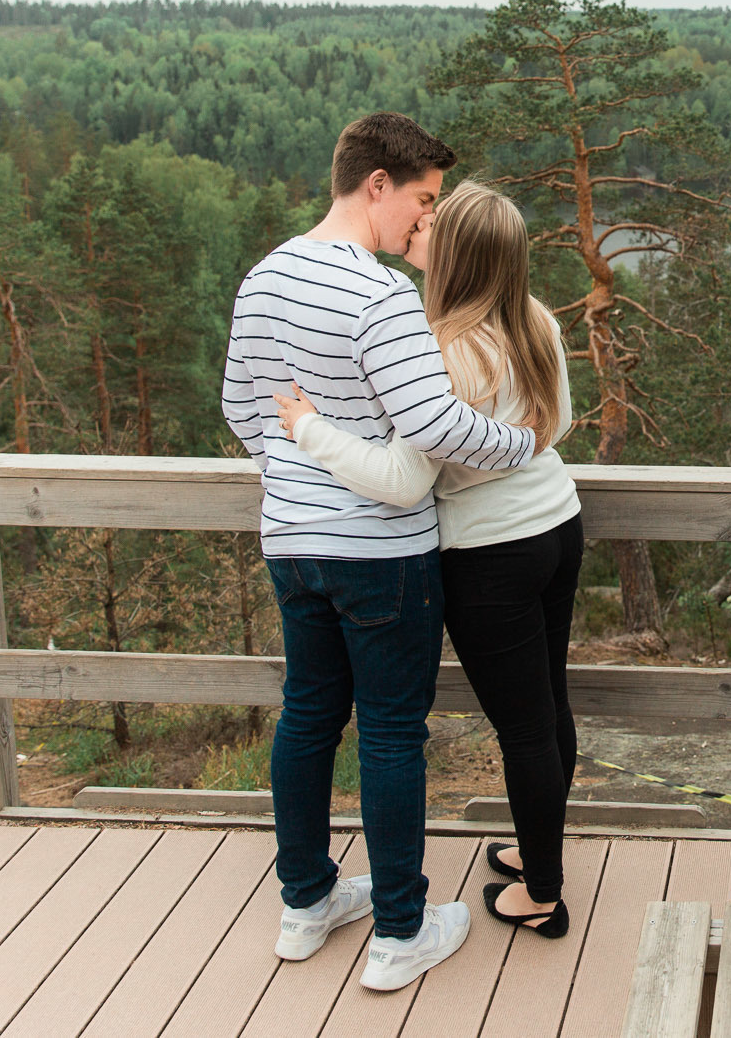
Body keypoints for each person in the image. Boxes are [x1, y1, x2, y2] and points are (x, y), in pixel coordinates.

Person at [221, 114, 539, 993]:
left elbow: (240, 408)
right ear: (376, 184)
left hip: (293, 543)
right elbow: (436, 426)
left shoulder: (266, 275)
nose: (423, 223)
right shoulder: (379, 295)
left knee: (308, 718)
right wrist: (525, 442)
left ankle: (305, 905)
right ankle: (401, 929)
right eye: (424, 199)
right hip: (381, 553)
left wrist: (295, 477)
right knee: (394, 732)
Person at [275, 180, 584, 938]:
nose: (422, 226)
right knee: (549, 706)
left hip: (488, 557)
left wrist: (309, 429)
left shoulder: (441, 349)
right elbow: (562, 422)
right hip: (558, 526)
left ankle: (542, 893)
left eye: (435, 226)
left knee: (524, 729)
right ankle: (536, 847)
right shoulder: (535, 321)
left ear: (457, 256)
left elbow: (403, 478)